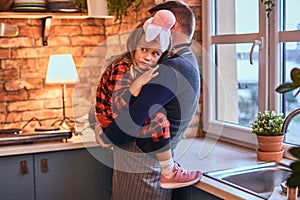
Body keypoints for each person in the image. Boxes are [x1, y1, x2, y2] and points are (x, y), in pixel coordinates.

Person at [97, 1, 201, 199]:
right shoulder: (186, 60)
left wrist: (105, 135)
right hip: (142, 164)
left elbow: (132, 119)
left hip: (142, 168)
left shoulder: (171, 68)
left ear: (173, 26)